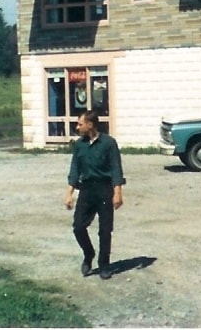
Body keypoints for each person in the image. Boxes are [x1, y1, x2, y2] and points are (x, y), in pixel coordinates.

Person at [63, 110, 125, 280]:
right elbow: (74, 170)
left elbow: (116, 169)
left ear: (90, 125)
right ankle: (88, 253)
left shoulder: (109, 143)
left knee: (105, 230)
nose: (77, 127)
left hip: (105, 190)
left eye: (80, 124)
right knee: (78, 227)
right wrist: (69, 193)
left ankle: (104, 265)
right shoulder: (79, 145)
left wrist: (117, 192)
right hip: (87, 190)